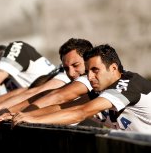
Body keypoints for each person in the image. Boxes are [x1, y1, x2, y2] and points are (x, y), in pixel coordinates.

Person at [12, 44, 151, 133]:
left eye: (95, 70)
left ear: (113, 68)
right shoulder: (102, 89)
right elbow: (65, 107)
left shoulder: (128, 84)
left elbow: (81, 112)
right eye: (88, 71)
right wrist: (20, 115)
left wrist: (33, 119)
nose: (90, 77)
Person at [0, 38, 94, 122]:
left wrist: (22, 114)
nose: (71, 73)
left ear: (89, 59)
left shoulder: (90, 78)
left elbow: (56, 96)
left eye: (76, 65)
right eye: (66, 68)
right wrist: (9, 111)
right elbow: (45, 96)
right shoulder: (79, 81)